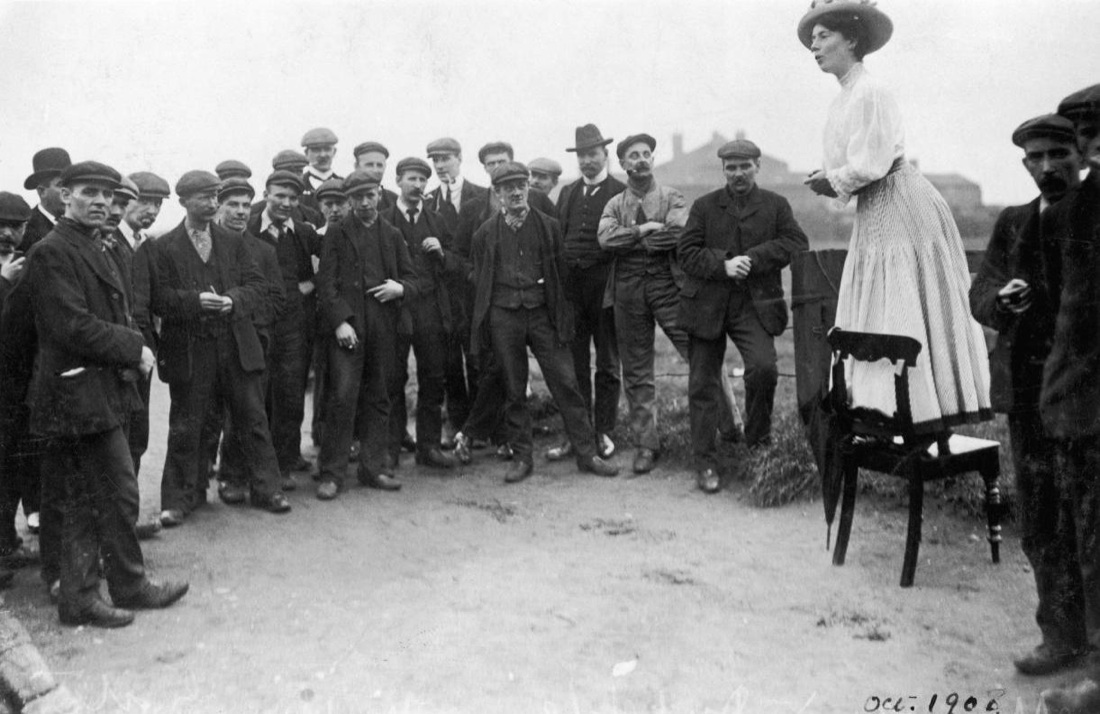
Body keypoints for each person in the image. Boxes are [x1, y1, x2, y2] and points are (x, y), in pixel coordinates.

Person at [799, 0, 991, 434]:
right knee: (882, 305)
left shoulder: (871, 91)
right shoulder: (842, 101)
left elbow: (870, 164)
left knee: (905, 300)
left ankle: (924, 412)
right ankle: (886, 411)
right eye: (812, 39)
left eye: (824, 36)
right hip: (875, 206)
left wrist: (834, 179)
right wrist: (830, 178)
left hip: (902, 203)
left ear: (852, 39)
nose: (815, 46)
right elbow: (849, 166)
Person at [23, 161, 188, 627]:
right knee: (113, 491)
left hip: (97, 391)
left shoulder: (98, 244)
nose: (100, 201)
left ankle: (94, 592)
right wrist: (133, 347)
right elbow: (70, 325)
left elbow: (117, 311)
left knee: (92, 496)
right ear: (66, 195)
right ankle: (117, 587)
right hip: (76, 393)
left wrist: (129, 349)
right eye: (88, 192)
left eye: (107, 195)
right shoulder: (51, 252)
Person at [970, 113, 1086, 676]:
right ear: (1024, 165)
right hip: (1028, 392)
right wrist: (1000, 300)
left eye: (1058, 154)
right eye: (1036, 157)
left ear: (1081, 155)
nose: (1047, 166)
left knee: (1089, 518)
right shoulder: (1014, 222)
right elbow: (980, 290)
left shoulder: (1093, 217)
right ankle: (1059, 637)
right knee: (1041, 517)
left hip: (1087, 396)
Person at [148, 170, 291, 526]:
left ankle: (267, 489)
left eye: (215, 196)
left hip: (236, 344)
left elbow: (257, 286)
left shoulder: (233, 242)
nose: (212, 203)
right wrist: (194, 302)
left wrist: (232, 301)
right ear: (184, 201)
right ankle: (181, 499)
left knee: (253, 417)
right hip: (191, 349)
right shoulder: (163, 247)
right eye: (204, 197)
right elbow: (158, 298)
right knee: (187, 424)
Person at [1021, 85, 1100, 713]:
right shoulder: (1066, 215)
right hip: (1069, 402)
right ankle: (1083, 659)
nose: (1091, 149)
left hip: (1080, 399)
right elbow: (1069, 320)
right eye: (1088, 137)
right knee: (1077, 536)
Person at [468, 161, 619, 483]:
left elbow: (561, 275)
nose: (516, 192)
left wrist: (559, 311)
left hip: (542, 315)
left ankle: (586, 453)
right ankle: (522, 458)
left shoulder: (549, 227)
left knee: (566, 383)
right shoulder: (485, 233)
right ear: (497, 193)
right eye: (508, 188)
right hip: (504, 316)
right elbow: (480, 279)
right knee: (513, 389)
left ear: (528, 188)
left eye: (521, 186)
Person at [678, 139, 807, 492]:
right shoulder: (704, 206)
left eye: (745, 166)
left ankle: (758, 445)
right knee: (702, 383)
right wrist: (723, 265)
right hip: (707, 304)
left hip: (754, 306)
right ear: (723, 170)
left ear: (757, 166)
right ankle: (705, 462)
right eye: (731, 168)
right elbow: (685, 252)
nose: (738, 174)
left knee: (763, 368)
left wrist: (755, 257)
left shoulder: (776, 205)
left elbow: (797, 243)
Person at [314, 170, 417, 499]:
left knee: (379, 397)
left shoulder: (392, 234)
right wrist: (339, 322)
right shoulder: (337, 232)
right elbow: (326, 284)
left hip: (384, 329)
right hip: (349, 330)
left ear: (379, 194)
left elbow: (413, 279)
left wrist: (400, 288)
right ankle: (332, 474)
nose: (363, 202)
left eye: (369, 195)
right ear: (349, 200)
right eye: (356, 197)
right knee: (342, 398)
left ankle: (373, 468)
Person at [543, 125, 625, 465]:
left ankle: (603, 431)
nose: (587, 160)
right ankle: (577, 433)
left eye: (593, 154)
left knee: (607, 363)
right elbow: (557, 239)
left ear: (605, 155)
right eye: (582, 155)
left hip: (606, 290)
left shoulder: (620, 192)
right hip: (573, 294)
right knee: (574, 366)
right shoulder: (568, 193)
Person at [380, 158, 461, 472]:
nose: (417, 185)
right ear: (398, 181)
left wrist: (442, 252)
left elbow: (456, 261)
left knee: (433, 377)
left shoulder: (437, 220)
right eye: (411, 179)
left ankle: (429, 446)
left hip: (429, 309)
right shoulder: (383, 220)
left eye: (422, 180)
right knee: (392, 378)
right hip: (395, 310)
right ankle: (391, 447)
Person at [212, 178, 285, 506]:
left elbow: (277, 299)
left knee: (251, 413)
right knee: (211, 415)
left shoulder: (263, 251)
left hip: (250, 340)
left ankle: (265, 487)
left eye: (245, 205)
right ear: (219, 206)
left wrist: (249, 322)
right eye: (233, 205)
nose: (241, 211)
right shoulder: (205, 245)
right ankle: (222, 477)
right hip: (211, 341)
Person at [246, 171, 320, 491]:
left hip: (293, 324)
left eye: (292, 198)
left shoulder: (303, 232)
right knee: (256, 395)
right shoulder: (248, 227)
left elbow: (327, 263)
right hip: (256, 323)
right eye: (279, 196)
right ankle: (253, 464)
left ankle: (286, 461)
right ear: (266, 194)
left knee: (291, 394)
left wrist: (309, 285)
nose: (286, 203)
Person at [0, 191, 39, 579]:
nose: (7, 234)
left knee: (12, 467)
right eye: (1, 226)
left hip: (16, 386)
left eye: (16, 227)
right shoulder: (10, 271)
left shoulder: (27, 262)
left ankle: (6, 543)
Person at [20, 147, 71, 252]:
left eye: (70, 185)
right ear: (42, 191)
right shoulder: (25, 229)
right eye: (60, 185)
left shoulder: (79, 224)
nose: (68, 191)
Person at [353, 141, 399, 210]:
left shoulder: (394, 201)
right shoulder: (343, 198)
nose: (375, 170)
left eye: (379, 165)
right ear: (356, 166)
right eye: (369, 165)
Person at [301, 127, 342, 202]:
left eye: (327, 149)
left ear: (334, 152)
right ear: (306, 153)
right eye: (316, 150)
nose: (323, 155)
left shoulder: (344, 184)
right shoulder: (299, 185)